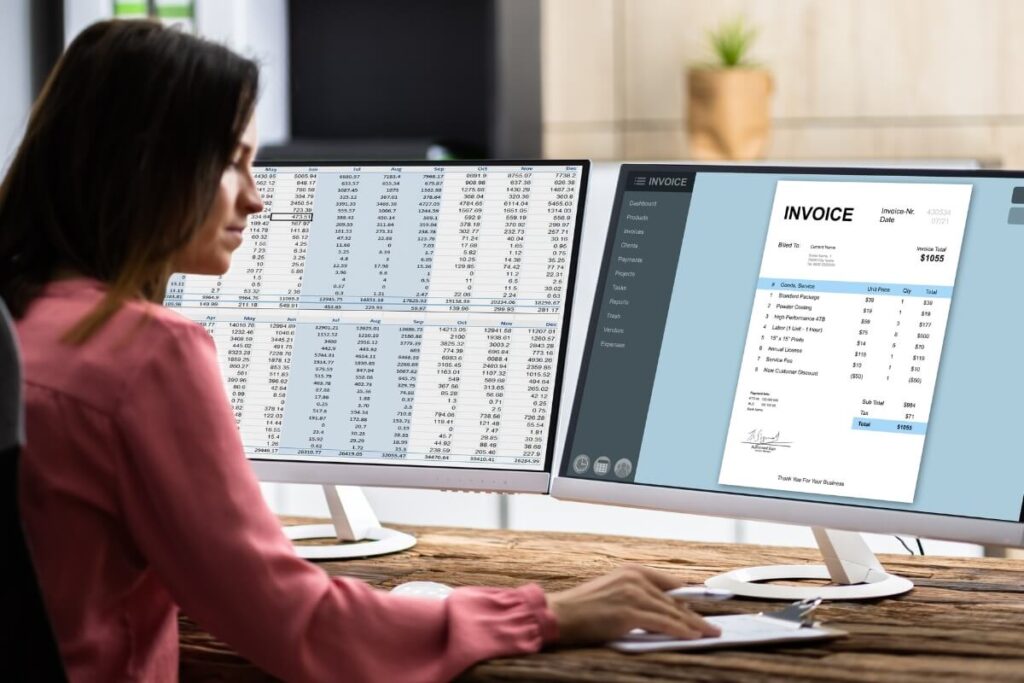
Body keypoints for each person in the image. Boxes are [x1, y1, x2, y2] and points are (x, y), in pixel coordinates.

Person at [0, 20, 719, 683]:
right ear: (149, 167)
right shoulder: (142, 354)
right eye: (233, 163)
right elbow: (296, 623)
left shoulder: (20, 330)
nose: (256, 198)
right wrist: (544, 611)